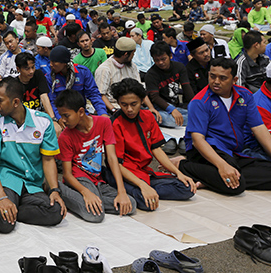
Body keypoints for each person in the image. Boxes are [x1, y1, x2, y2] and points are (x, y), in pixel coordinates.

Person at [0, 77, 65, 233]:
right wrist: (2, 197)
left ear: (16, 102)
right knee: (5, 225)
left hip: (31, 184)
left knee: (55, 212)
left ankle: (12, 209)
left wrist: (54, 190)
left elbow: (48, 159)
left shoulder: (43, 121)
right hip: (6, 181)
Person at [176, 57, 271, 195]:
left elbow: (259, 128)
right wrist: (222, 165)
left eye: (222, 78)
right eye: (212, 76)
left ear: (234, 80)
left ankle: (212, 178)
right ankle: (183, 165)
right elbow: (198, 140)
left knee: (255, 173)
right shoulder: (200, 101)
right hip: (208, 150)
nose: (216, 82)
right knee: (236, 185)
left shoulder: (245, 96)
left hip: (233, 152)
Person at [109, 79, 195, 211]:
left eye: (134, 104)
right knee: (146, 203)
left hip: (144, 172)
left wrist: (178, 173)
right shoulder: (115, 123)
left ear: (142, 101)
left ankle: (147, 190)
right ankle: (143, 190)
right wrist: (142, 185)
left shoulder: (148, 117)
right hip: (124, 174)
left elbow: (156, 149)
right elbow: (117, 164)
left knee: (187, 188)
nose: (129, 109)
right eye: (124, 105)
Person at [55, 89, 135, 223]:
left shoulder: (104, 123)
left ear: (81, 112)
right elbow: (67, 174)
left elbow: (111, 158)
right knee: (95, 215)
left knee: (130, 204)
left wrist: (122, 192)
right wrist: (86, 192)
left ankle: (93, 199)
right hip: (79, 178)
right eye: (61, 116)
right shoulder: (65, 137)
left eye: (66, 116)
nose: (63, 120)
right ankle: (57, 188)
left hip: (97, 179)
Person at [95, 37, 160, 119]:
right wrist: (114, 110)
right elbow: (101, 95)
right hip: (116, 108)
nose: (133, 56)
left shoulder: (132, 66)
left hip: (134, 106)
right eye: (133, 53)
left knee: (155, 117)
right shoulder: (104, 69)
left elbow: (140, 90)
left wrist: (151, 108)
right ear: (126, 54)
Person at [47, 46, 107, 121]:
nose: (51, 64)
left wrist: (102, 113)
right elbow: (52, 101)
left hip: (81, 113)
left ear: (64, 63)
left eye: (54, 62)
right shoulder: (50, 78)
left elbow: (93, 94)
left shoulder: (82, 72)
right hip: (62, 116)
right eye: (50, 61)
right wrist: (59, 119)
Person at [145, 42, 194, 129]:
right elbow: (155, 97)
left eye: (163, 59)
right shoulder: (151, 74)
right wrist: (172, 110)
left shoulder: (179, 67)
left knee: (196, 114)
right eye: (157, 60)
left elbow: (186, 87)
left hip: (175, 105)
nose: (160, 62)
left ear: (170, 56)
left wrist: (195, 105)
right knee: (172, 122)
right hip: (159, 107)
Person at [15, 52, 55, 118]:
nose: (31, 71)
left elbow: (44, 96)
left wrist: (53, 118)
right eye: (27, 69)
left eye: (33, 67)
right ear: (18, 69)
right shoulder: (14, 84)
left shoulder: (38, 74)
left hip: (39, 115)